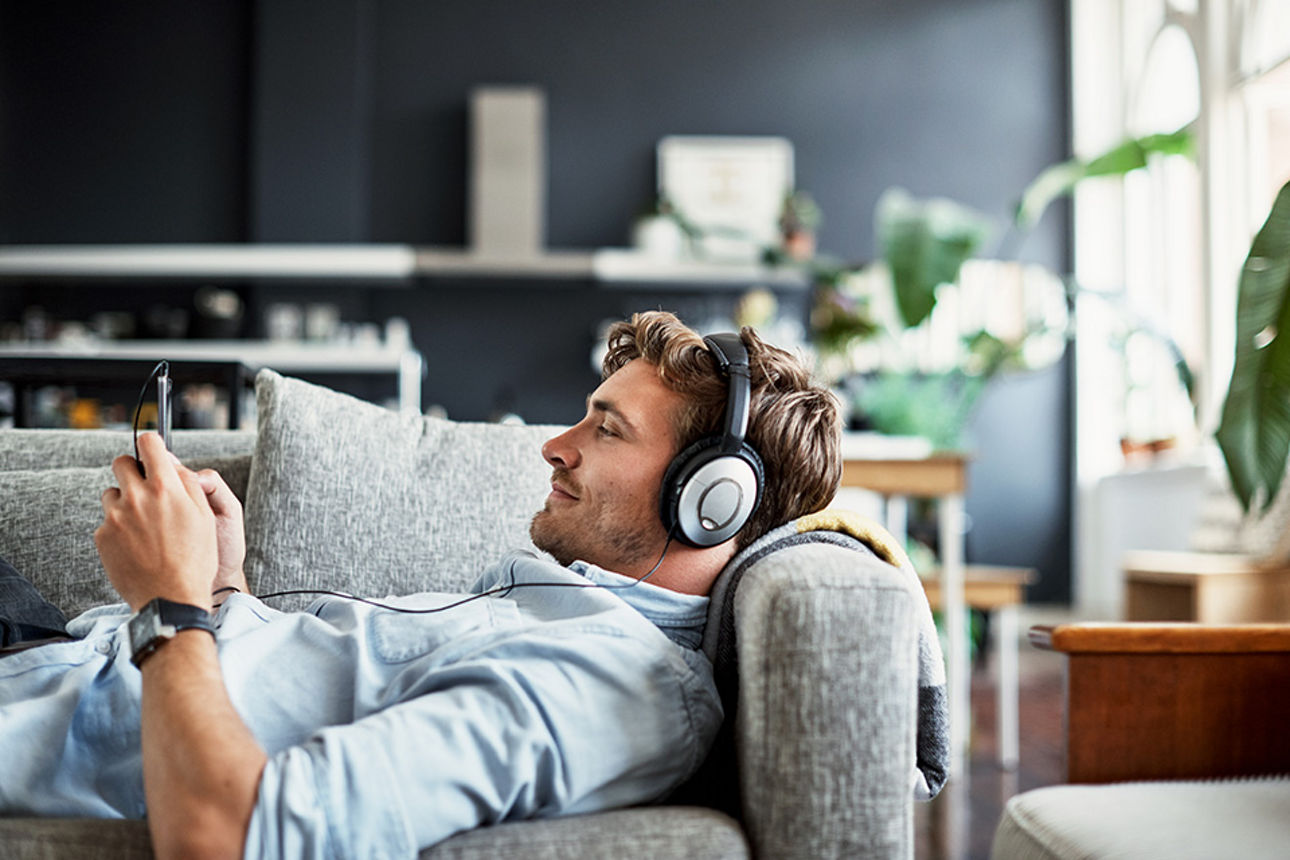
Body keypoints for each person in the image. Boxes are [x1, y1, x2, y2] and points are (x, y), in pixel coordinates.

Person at [0, 311, 842, 858]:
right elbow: (295, 691)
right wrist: (224, 594)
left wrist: (167, 608)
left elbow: (234, 834)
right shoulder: (566, 611)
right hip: (56, 654)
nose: (555, 444)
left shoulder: (606, 684)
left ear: (710, 500)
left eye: (607, 429)